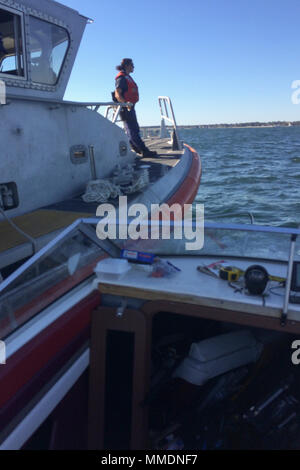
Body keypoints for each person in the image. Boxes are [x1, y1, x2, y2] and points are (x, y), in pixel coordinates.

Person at [114, 58, 157, 157]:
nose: (133, 67)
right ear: (127, 65)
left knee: (133, 129)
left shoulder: (127, 77)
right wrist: (126, 104)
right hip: (126, 107)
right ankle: (144, 151)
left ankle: (137, 149)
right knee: (133, 130)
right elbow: (117, 94)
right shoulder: (121, 78)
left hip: (130, 107)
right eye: (132, 65)